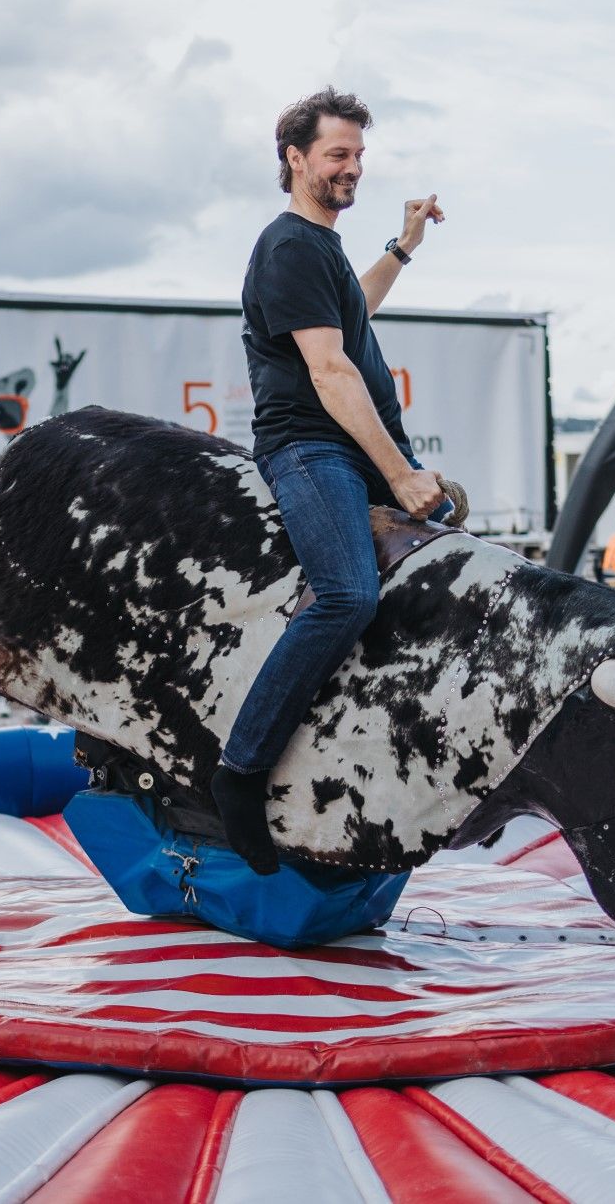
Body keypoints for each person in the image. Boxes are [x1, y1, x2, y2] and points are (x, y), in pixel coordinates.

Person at [212, 87, 452, 875]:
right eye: (337, 154)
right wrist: (401, 473)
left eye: (359, 155)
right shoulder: (287, 246)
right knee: (348, 594)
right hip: (310, 450)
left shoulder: (322, 252)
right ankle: (239, 774)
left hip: (343, 452)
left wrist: (405, 245)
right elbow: (329, 365)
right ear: (295, 159)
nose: (352, 168)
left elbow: (355, 310)